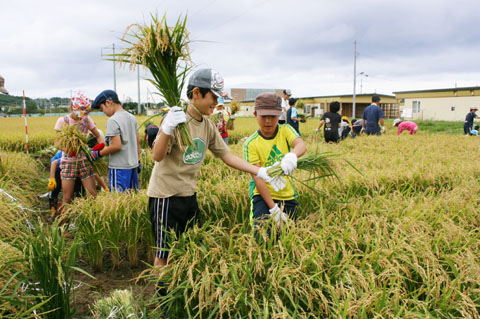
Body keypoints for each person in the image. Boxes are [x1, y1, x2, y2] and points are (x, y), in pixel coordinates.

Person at [147, 68, 285, 283]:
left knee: (190, 248)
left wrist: (260, 171)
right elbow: (157, 156)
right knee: (164, 255)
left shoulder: (208, 125)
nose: (217, 103)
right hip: (165, 197)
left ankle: (181, 291)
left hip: (188, 195)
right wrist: (167, 127)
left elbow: (227, 156)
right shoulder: (175, 119)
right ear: (196, 93)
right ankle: (163, 301)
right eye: (214, 97)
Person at [243, 92, 306, 232]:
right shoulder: (251, 143)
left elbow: (301, 145)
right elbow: (257, 178)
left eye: (273, 116)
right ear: (255, 114)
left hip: (288, 194)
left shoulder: (286, 131)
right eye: (264, 116)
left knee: (288, 239)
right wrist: (273, 208)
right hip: (263, 196)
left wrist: (291, 156)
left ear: (279, 115)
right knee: (263, 237)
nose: (268, 121)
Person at [54, 92, 104, 214]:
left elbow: (98, 136)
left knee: (92, 195)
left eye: (85, 112)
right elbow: (57, 142)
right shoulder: (63, 121)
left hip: (84, 161)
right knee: (67, 197)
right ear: (72, 107)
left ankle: (92, 223)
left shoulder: (86, 120)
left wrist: (98, 149)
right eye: (80, 111)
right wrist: (68, 149)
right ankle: (64, 229)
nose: (82, 115)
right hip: (68, 162)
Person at [91, 90, 141, 192]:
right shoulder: (132, 117)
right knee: (131, 199)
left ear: (108, 102)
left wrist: (98, 154)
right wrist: (138, 160)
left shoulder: (113, 120)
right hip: (133, 166)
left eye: (102, 108)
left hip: (119, 168)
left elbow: (116, 145)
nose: (104, 112)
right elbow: (138, 140)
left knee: (117, 201)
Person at [46, 150, 84, 221]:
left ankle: (74, 212)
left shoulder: (81, 156)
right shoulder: (67, 155)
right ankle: (53, 212)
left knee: (77, 189)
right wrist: (52, 179)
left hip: (73, 169)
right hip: (57, 169)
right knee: (55, 188)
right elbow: (54, 163)